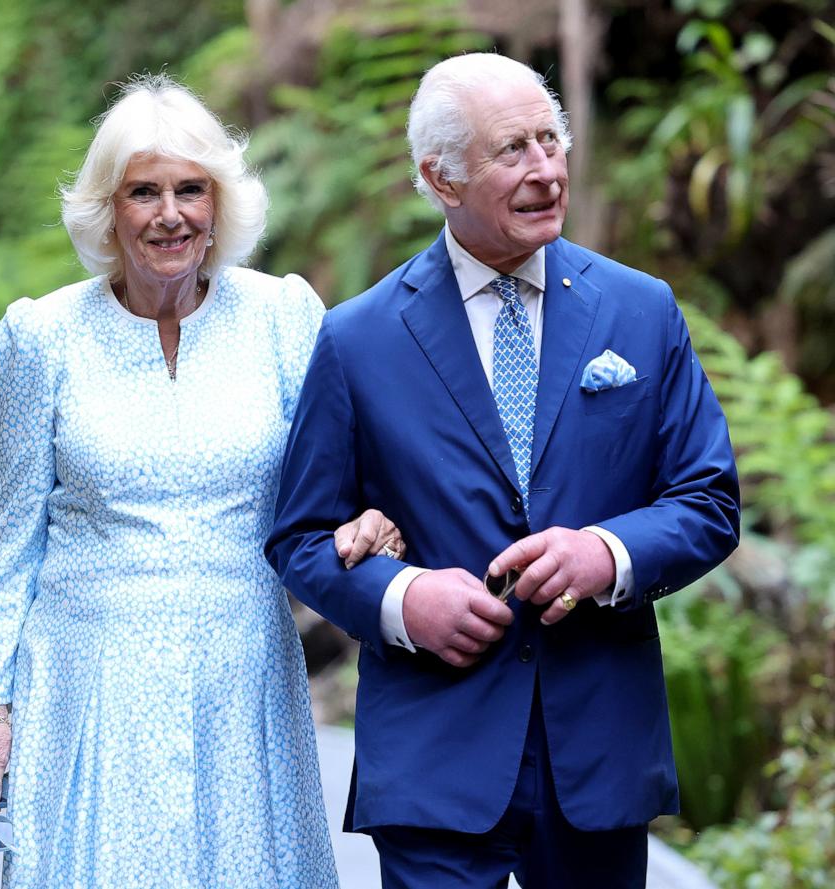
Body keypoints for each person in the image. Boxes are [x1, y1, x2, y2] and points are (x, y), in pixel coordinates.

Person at [267, 53, 740, 889]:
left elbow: (708, 498)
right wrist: (404, 600)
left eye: (550, 140)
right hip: (433, 755)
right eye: (511, 150)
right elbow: (300, 536)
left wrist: (607, 553)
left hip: (597, 749)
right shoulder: (357, 339)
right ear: (440, 179)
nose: (547, 170)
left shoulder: (641, 309)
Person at [0, 74, 406, 889]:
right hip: (89, 680)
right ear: (108, 209)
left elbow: (337, 481)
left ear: (219, 201)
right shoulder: (41, 335)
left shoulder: (283, 316)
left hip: (242, 675)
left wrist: (368, 520)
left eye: (190, 189)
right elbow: (13, 534)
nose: (170, 213)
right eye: (144, 192)